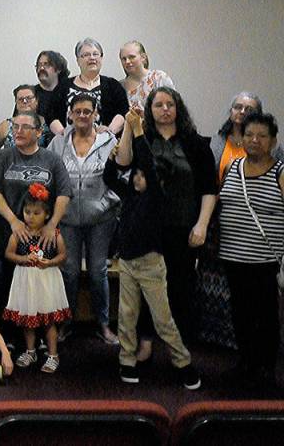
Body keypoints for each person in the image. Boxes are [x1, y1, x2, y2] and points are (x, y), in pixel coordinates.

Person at [105, 110, 201, 389]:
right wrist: (115, 153)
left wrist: (136, 130)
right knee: (126, 315)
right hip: (128, 263)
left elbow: (146, 161)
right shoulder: (131, 195)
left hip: (150, 264)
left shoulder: (159, 198)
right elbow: (110, 179)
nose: (136, 179)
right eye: (135, 175)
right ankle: (127, 361)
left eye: (143, 176)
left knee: (163, 319)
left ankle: (184, 363)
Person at [137, 87, 217, 342]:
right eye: (158, 105)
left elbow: (209, 188)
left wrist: (202, 225)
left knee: (181, 285)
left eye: (169, 104)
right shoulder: (144, 140)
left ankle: (181, 344)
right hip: (149, 229)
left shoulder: (195, 143)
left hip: (185, 227)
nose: (164, 109)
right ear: (150, 111)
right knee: (148, 286)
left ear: (178, 108)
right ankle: (147, 341)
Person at [0, 112, 73, 327]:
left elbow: (64, 193)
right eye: (15, 126)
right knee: (1, 285)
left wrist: (52, 225)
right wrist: (14, 221)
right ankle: (7, 337)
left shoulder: (51, 159)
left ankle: (43, 339)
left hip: (42, 239)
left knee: (40, 290)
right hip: (8, 236)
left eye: (25, 127)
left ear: (39, 131)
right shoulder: (3, 157)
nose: (18, 131)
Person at [216, 111, 284, 388]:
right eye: (249, 135)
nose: (254, 140)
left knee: (266, 316)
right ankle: (245, 362)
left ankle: (266, 367)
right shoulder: (233, 167)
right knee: (240, 313)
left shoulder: (280, 171)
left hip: (265, 260)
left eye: (262, 136)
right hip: (233, 257)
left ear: (273, 140)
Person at [47, 93, 119, 344]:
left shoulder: (109, 141)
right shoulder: (58, 143)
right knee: (69, 272)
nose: (82, 116)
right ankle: (67, 322)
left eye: (87, 111)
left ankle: (103, 323)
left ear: (96, 113)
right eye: (77, 111)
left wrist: (105, 203)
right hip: (67, 219)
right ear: (70, 113)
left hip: (101, 218)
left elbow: (120, 174)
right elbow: (49, 177)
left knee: (99, 272)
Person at [3, 184, 70, 374]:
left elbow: (63, 255)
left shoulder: (54, 234)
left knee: (49, 320)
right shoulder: (19, 233)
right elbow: (8, 254)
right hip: (25, 280)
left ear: (47, 215)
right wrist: (24, 258)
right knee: (28, 319)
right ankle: (30, 351)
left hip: (46, 280)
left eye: (36, 213)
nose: (30, 217)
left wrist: (49, 262)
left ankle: (53, 354)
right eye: (27, 212)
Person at [48, 38, 128, 136]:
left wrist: (109, 132)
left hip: (105, 144)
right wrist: (62, 134)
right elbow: (51, 114)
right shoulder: (64, 86)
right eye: (86, 55)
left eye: (95, 54)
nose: (92, 58)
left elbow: (123, 111)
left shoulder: (113, 85)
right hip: (68, 143)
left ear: (101, 58)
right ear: (78, 60)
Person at [211, 92, 284, 183]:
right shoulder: (216, 141)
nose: (242, 112)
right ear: (230, 111)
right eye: (238, 107)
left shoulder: (271, 147)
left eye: (249, 109)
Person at [119, 40, 174, 111]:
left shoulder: (159, 78)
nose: (127, 61)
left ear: (143, 57)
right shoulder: (119, 87)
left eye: (132, 57)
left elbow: (172, 107)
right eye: (124, 59)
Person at [0, 84, 51, 149]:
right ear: (16, 103)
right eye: (21, 99)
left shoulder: (47, 124)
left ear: (36, 101)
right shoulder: (6, 126)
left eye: (29, 98)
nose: (25, 102)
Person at [33, 50, 70, 130]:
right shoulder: (31, 94)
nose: (41, 68)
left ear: (58, 69)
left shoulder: (68, 92)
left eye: (46, 65)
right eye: (39, 65)